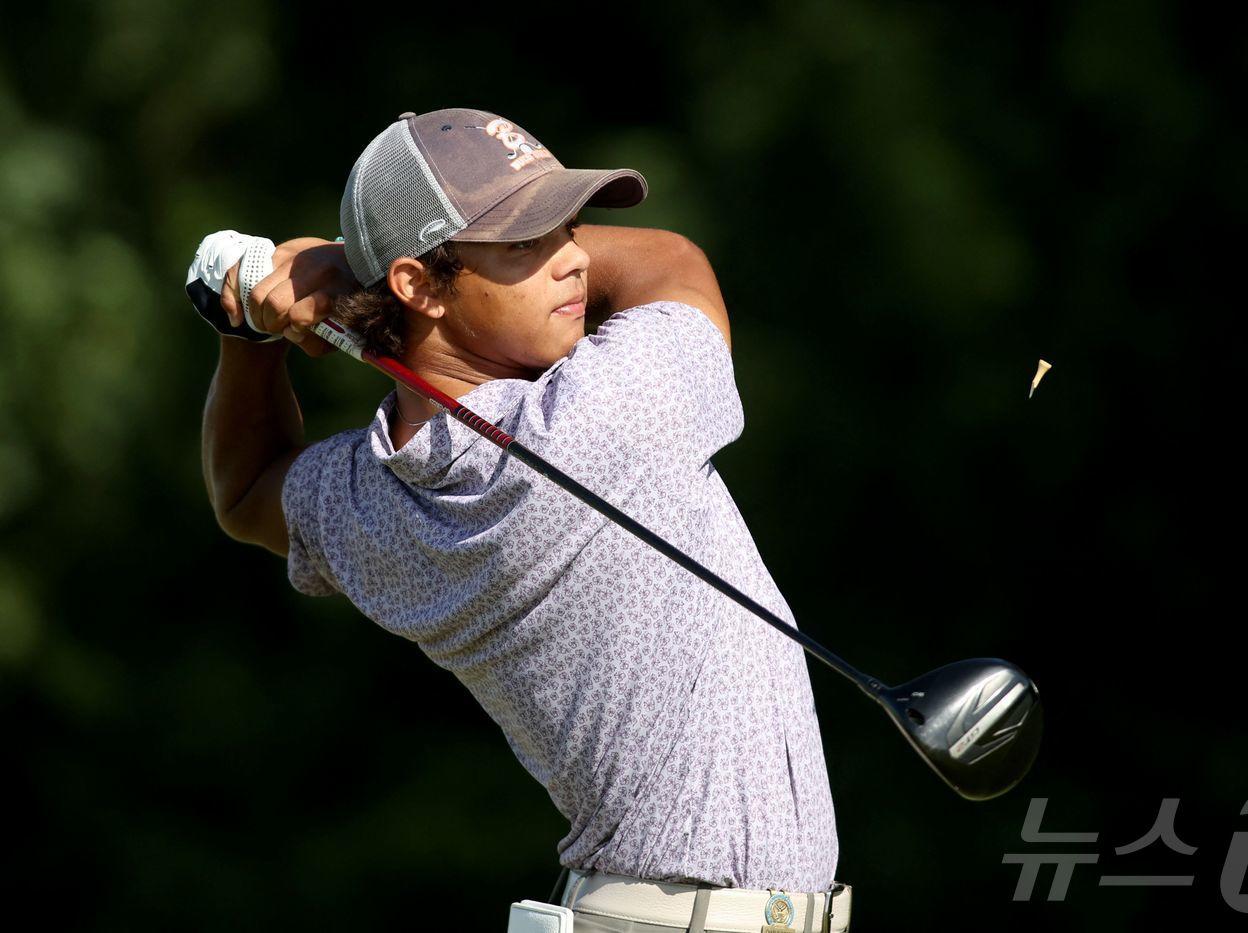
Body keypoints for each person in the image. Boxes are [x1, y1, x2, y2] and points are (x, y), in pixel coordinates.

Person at [195, 108, 851, 932]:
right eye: (524, 242)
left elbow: (246, 488)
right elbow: (674, 264)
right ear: (420, 284)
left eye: (567, 226)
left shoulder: (371, 499)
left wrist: (248, 328)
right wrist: (338, 267)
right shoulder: (597, 423)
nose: (575, 257)